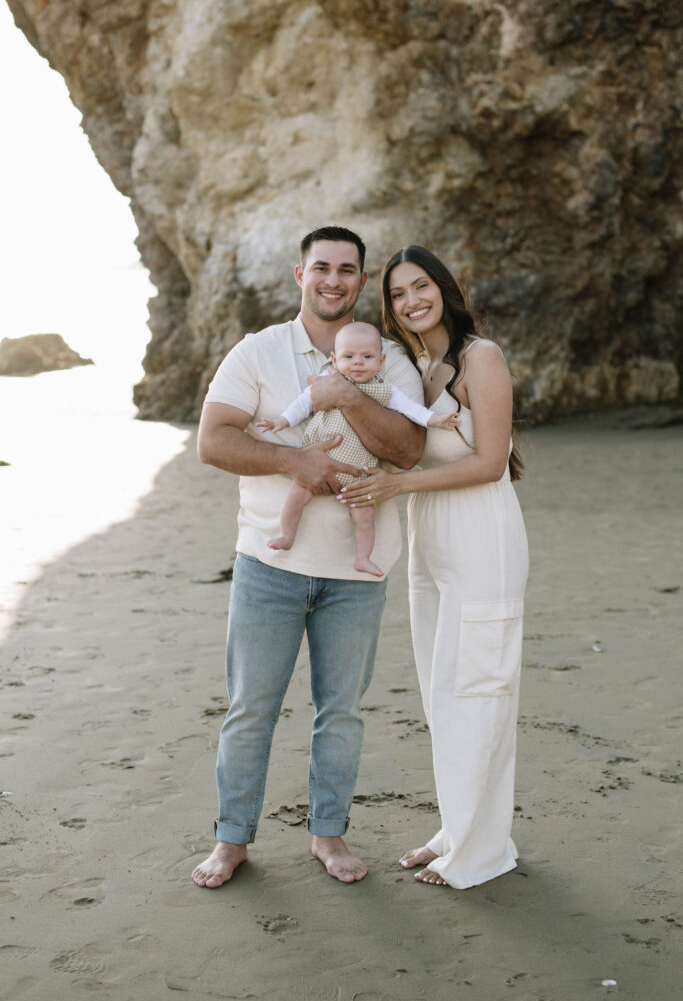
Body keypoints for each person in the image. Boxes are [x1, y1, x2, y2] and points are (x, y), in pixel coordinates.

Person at [191, 227, 425, 888]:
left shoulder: (385, 358)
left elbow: (408, 450)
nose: (333, 279)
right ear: (299, 275)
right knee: (250, 709)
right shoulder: (258, 351)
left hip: (358, 571)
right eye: (320, 267)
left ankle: (329, 836)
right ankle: (230, 841)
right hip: (268, 568)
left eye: (346, 270)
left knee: (341, 711)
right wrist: (298, 460)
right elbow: (213, 441)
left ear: (360, 280)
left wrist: (348, 395)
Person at [337, 245, 528, 889]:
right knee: (441, 689)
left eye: (421, 286)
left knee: (480, 686)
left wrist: (396, 489)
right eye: (397, 294)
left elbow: (490, 463)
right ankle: (455, 829)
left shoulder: (482, 358)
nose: (411, 300)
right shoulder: (416, 367)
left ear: (444, 289)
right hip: (431, 535)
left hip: (482, 532)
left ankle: (481, 851)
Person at [256, 321, 460, 577]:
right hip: (316, 464)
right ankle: (287, 534)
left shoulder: (384, 389)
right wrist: (282, 421)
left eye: (367, 357)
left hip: (357, 473)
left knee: (365, 515)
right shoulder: (326, 381)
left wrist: (435, 420)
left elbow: (412, 410)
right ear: (334, 359)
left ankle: (363, 557)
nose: (358, 363)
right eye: (348, 356)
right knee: (296, 496)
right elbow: (303, 403)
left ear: (381, 360)